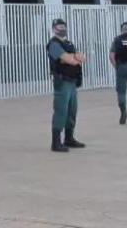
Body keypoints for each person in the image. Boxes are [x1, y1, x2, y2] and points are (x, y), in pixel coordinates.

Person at [46, 18, 86, 152]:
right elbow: (71, 60)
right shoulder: (53, 44)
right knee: (61, 112)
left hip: (72, 81)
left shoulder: (68, 43)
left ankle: (69, 139)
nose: (61, 28)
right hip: (62, 82)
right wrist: (74, 58)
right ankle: (56, 143)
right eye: (58, 26)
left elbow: (81, 58)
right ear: (53, 28)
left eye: (63, 26)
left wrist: (73, 58)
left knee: (72, 111)